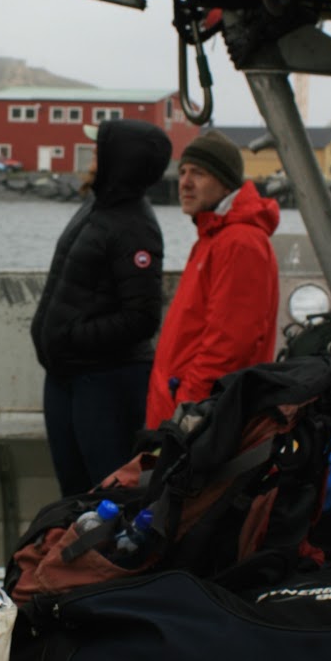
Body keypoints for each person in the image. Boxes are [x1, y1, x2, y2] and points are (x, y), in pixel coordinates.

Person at [31, 117, 171, 496]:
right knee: (75, 496)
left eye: (98, 150)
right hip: (67, 377)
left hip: (105, 384)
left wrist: (71, 337)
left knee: (107, 497)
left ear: (119, 160)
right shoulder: (98, 207)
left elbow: (142, 317)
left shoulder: (135, 227)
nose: (91, 157)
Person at [145, 129, 280, 429]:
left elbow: (229, 345)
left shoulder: (239, 242)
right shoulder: (212, 237)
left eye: (198, 173)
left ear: (225, 181)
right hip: (180, 409)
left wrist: (188, 407)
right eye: (182, 172)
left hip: (198, 418)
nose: (185, 182)